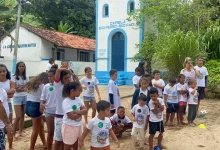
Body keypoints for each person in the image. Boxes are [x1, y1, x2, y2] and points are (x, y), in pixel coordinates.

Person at [25, 72, 48, 150]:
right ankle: (31, 147)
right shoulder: (42, 86)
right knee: (35, 129)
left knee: (41, 125)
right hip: (35, 106)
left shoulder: (30, 83)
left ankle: (44, 143)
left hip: (27, 105)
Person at [62, 82, 87, 150]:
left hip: (78, 125)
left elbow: (85, 110)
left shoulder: (78, 99)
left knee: (77, 145)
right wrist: (81, 112)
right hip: (69, 127)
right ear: (72, 91)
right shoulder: (66, 102)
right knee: (68, 146)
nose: (80, 92)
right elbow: (72, 117)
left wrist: (76, 112)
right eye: (79, 90)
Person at [53, 68, 72, 150]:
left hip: (69, 117)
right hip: (60, 117)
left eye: (68, 78)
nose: (68, 80)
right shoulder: (58, 86)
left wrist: (69, 72)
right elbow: (57, 72)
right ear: (61, 79)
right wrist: (64, 68)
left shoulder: (70, 88)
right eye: (65, 78)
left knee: (66, 141)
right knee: (58, 141)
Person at [40, 68, 57, 150]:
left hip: (59, 113)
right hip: (49, 111)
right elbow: (43, 98)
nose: (50, 78)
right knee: (50, 132)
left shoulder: (61, 85)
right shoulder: (46, 86)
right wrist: (41, 104)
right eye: (49, 76)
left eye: (52, 76)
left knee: (59, 133)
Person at [11, 61, 29, 139]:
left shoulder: (26, 77)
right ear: (17, 67)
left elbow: (27, 88)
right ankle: (13, 133)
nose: (21, 68)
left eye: (23, 66)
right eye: (20, 66)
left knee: (22, 116)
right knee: (18, 116)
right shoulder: (14, 76)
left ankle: (20, 132)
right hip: (17, 97)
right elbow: (15, 88)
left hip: (25, 97)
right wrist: (22, 88)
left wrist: (20, 88)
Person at [0, 64, 15, 150]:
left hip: (8, 104)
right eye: (0, 71)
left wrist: (5, 93)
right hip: (3, 105)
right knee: (7, 125)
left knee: (9, 126)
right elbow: (8, 94)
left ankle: (10, 145)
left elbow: (12, 94)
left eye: (4, 71)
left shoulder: (10, 81)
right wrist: (5, 93)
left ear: (7, 71)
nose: (2, 73)